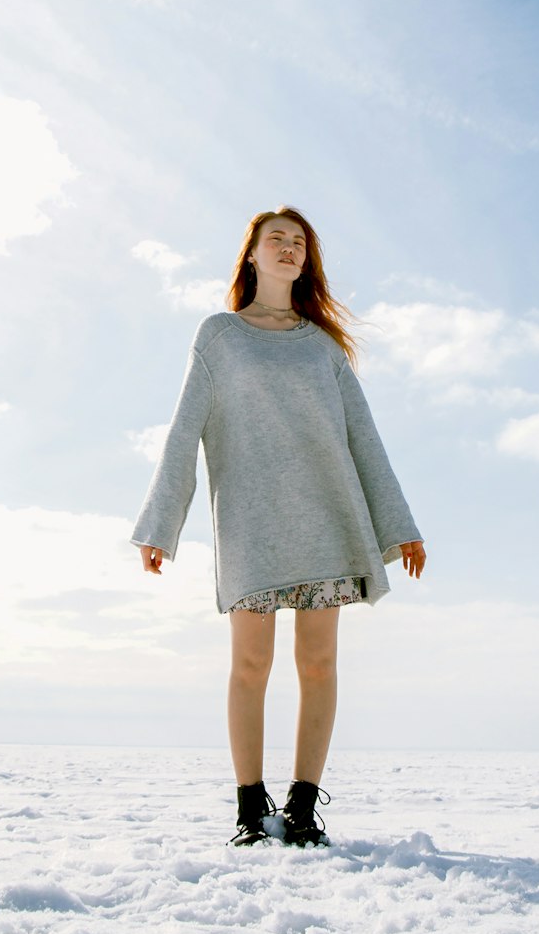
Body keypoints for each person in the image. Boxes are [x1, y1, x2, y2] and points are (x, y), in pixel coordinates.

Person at [130, 205, 426, 849]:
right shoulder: (219, 337)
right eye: (277, 240)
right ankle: (248, 809)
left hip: (327, 516)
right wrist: (161, 523)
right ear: (252, 255)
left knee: (317, 664)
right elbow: (184, 431)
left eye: (300, 243)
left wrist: (399, 524)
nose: (289, 249)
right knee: (250, 665)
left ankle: (300, 808)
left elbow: (363, 438)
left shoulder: (323, 347)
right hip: (251, 523)